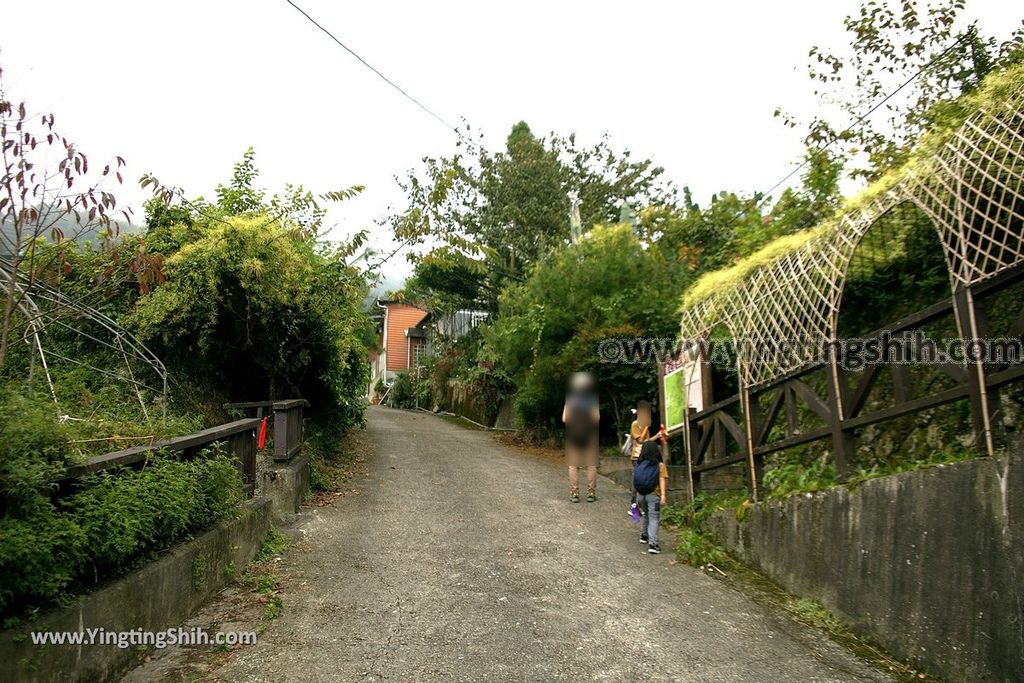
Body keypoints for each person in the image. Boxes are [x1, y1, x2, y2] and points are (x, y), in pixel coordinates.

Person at [562, 372, 600, 503]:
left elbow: (564, 418)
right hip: (590, 434)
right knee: (591, 465)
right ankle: (591, 492)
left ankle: (574, 493)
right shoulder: (592, 398)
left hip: (573, 434)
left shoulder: (570, 398)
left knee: (573, 465)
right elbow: (597, 418)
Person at [633, 434, 668, 554]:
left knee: (646, 515)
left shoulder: (639, 464)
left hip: (640, 494)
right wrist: (663, 495)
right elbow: (662, 480)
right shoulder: (660, 465)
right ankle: (653, 544)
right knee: (654, 518)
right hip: (653, 495)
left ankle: (644, 536)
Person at [628, 400, 652, 517]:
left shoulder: (645, 425)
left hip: (645, 456)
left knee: (644, 482)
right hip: (637, 457)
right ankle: (633, 507)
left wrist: (659, 435)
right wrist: (647, 427)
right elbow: (640, 440)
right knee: (637, 482)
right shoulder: (635, 424)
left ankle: (640, 506)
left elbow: (647, 441)